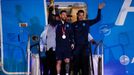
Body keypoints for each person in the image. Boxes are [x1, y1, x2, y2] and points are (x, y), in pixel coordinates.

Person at [72, 3, 105, 75]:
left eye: (82, 15)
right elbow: (70, 35)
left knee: (85, 66)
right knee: (75, 66)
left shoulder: (87, 22)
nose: (81, 16)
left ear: (84, 16)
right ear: (77, 15)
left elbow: (97, 19)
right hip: (77, 47)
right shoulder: (73, 24)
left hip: (85, 47)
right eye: (79, 15)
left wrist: (99, 9)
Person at [55, 10, 74, 75]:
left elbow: (71, 35)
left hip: (67, 46)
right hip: (59, 46)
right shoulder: (56, 24)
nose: (65, 16)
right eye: (63, 15)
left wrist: (72, 43)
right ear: (60, 15)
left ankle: (67, 74)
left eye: (65, 15)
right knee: (59, 61)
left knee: (67, 61)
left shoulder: (69, 25)